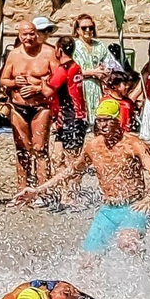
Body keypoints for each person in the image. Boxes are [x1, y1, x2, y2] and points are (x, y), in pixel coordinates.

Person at [15, 99, 150, 260]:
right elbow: (71, 171)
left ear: (118, 120)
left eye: (108, 120)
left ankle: (147, 268)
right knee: (87, 262)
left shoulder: (134, 145)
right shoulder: (93, 146)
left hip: (133, 206)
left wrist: (149, 198)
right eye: (100, 120)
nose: (103, 125)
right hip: (108, 210)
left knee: (127, 244)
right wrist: (37, 190)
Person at [0, 20, 56, 198]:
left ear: (36, 33)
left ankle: (43, 190)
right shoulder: (14, 54)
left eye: (32, 33)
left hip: (41, 106)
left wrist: (37, 88)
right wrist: (14, 82)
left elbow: (58, 79)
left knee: (39, 148)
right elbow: (3, 79)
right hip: (18, 107)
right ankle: (22, 190)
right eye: (25, 34)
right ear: (19, 35)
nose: (29, 38)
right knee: (22, 149)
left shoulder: (48, 52)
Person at [46, 35, 87, 208]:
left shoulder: (64, 69)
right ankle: (65, 193)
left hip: (72, 118)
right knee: (57, 158)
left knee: (72, 160)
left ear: (60, 50)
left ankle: (72, 194)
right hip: (69, 119)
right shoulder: (75, 66)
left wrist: (37, 84)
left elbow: (48, 91)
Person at [71, 14, 110, 120]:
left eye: (91, 27)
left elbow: (110, 64)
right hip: (80, 87)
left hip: (98, 88)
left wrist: (105, 71)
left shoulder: (100, 46)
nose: (88, 30)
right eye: (84, 28)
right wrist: (92, 72)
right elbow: (69, 72)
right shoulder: (73, 47)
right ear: (77, 30)